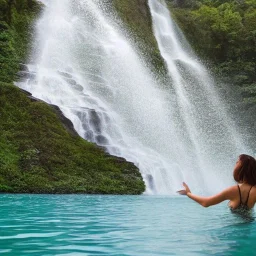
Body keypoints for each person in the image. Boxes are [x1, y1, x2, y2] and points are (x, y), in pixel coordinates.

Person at [177, 154, 256, 215]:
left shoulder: (234, 190)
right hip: (248, 226)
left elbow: (206, 203)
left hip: (234, 228)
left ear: (241, 168)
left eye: (237, 163)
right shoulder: (254, 189)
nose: (235, 165)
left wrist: (188, 193)